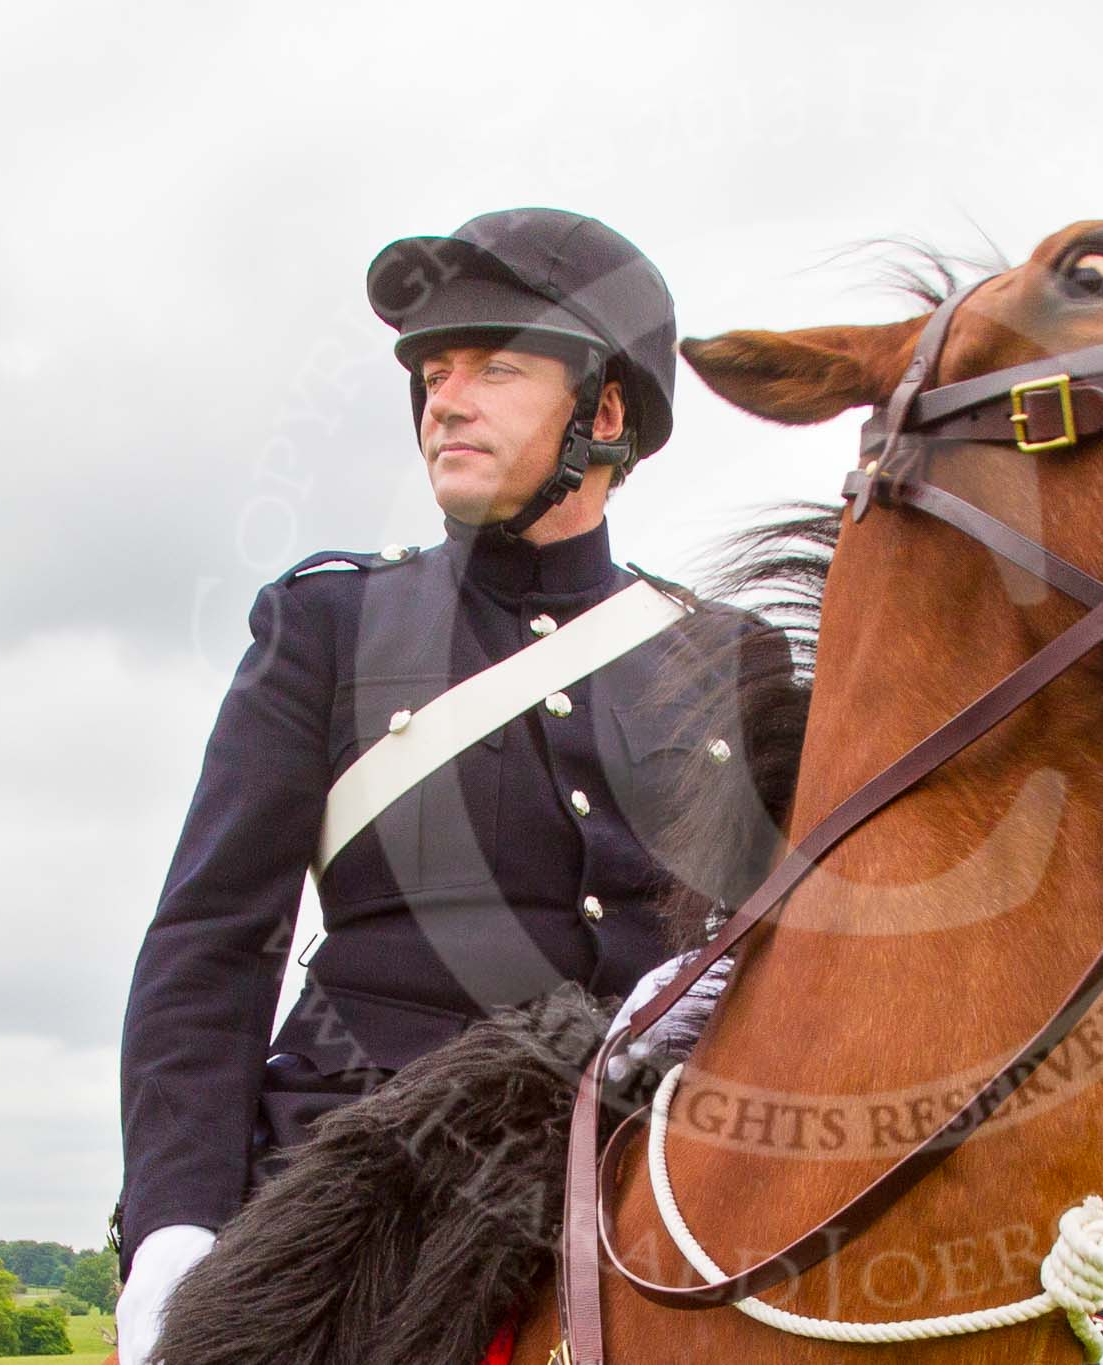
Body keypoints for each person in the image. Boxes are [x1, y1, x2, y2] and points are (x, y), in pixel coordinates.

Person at [112, 209, 770, 1365]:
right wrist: (173, 1227)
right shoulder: (331, 625)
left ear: (604, 413)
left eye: (495, 369)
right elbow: (213, 941)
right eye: (431, 372)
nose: (444, 400)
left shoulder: (727, 659)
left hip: (655, 1164)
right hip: (368, 1187)